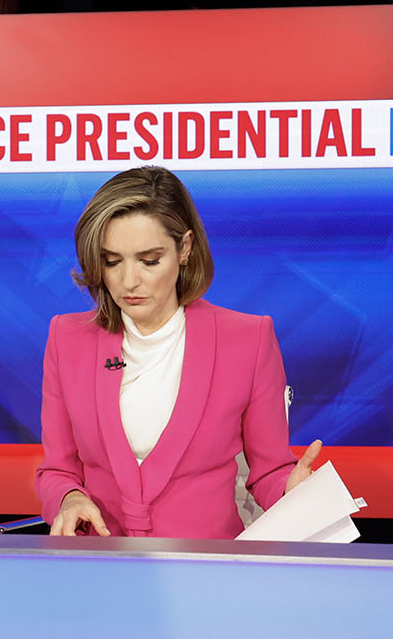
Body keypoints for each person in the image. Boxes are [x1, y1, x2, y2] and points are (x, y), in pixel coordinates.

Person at [36, 166, 323, 540]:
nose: (129, 281)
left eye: (149, 260)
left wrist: (291, 491)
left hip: (208, 570)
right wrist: (69, 498)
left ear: (184, 248)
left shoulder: (248, 340)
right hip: (100, 567)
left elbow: (268, 473)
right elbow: (57, 471)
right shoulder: (67, 337)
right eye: (111, 261)